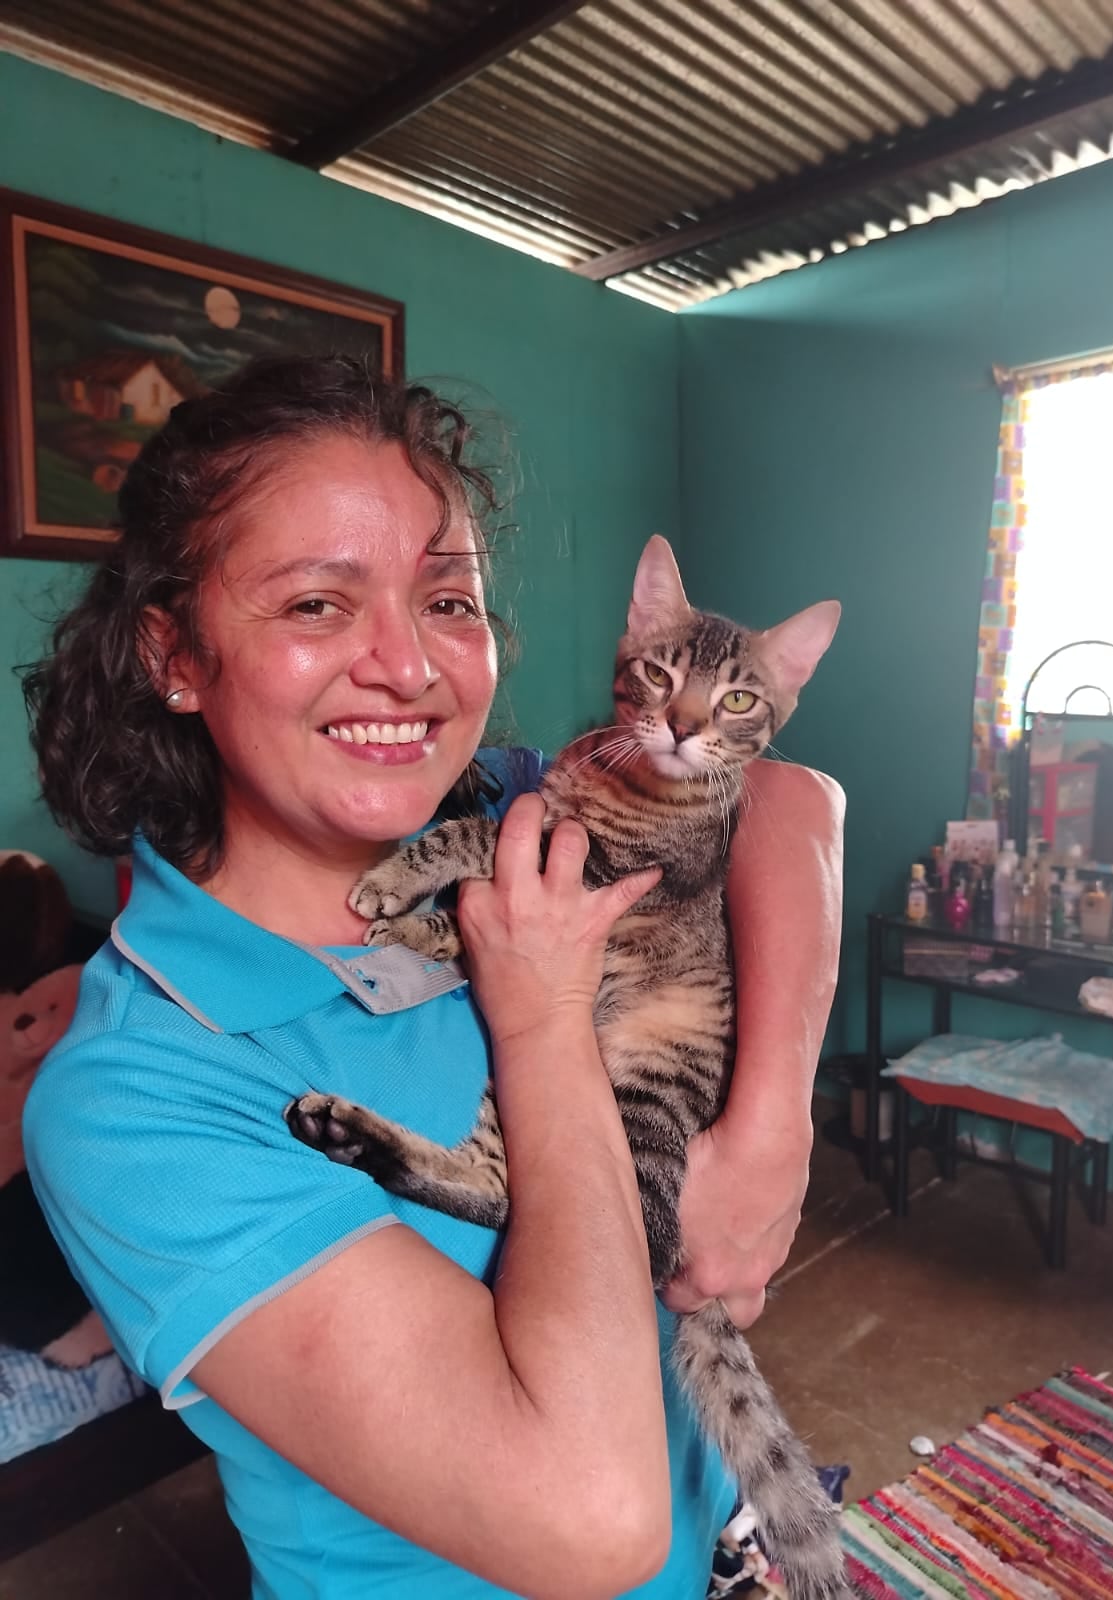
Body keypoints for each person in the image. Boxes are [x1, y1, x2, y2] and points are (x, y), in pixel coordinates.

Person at [22, 356, 844, 1600]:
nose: (408, 668)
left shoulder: (520, 803)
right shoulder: (133, 1092)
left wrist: (776, 1117)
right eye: (315, 604)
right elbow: (593, 1517)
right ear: (174, 655)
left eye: (449, 602)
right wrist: (546, 1010)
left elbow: (794, 798)